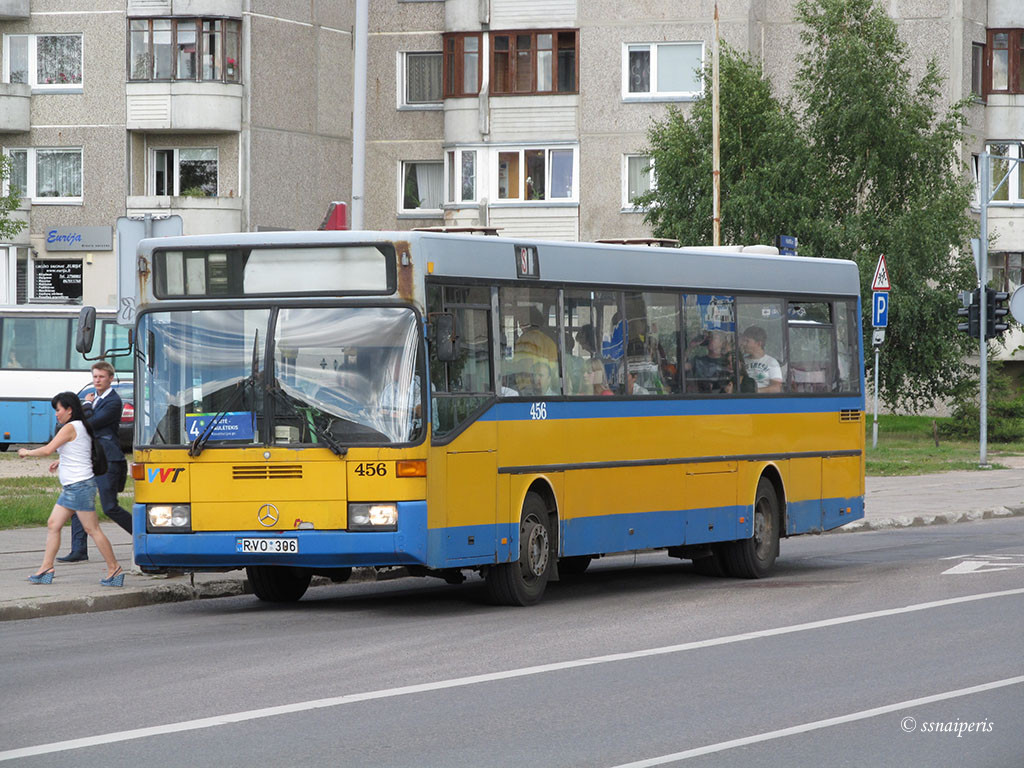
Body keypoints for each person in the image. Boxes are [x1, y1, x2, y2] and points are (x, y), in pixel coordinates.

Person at [19, 392, 124, 586]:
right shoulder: (81, 426)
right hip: (74, 487)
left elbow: (47, 449)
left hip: (79, 486)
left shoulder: (70, 427)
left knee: (92, 529)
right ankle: (46, 568)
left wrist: (26, 452)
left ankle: (114, 569)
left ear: (69, 410)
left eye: (58, 410)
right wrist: (62, 460)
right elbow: (80, 450)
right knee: (53, 524)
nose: (56, 414)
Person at [57, 362, 132, 563]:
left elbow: (91, 423)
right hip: (91, 459)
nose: (97, 380)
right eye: (95, 376)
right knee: (78, 502)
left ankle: (143, 538)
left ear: (110, 378)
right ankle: (79, 549)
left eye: (101, 377)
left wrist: (87, 406)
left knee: (110, 507)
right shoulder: (96, 399)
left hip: (108, 460)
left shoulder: (114, 401)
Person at [740, 326, 783, 393]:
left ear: (758, 343)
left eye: (747, 341)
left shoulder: (771, 362)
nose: (744, 344)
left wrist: (756, 391)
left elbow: (776, 388)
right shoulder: (742, 361)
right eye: (744, 341)